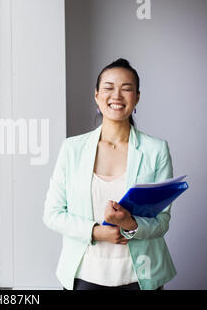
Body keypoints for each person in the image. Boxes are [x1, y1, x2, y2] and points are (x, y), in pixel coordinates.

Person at [43, 58, 176, 290]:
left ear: (137, 97)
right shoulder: (72, 149)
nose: (116, 95)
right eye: (108, 88)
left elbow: (162, 221)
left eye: (126, 89)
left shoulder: (156, 150)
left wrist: (130, 224)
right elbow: (52, 214)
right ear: (96, 95)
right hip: (84, 275)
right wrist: (96, 232)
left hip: (140, 276)